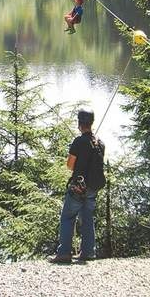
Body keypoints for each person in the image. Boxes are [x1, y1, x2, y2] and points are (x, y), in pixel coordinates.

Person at [51, 108, 105, 263]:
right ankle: (88, 252)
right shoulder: (100, 143)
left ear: (80, 124)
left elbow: (69, 165)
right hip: (93, 188)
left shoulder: (78, 142)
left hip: (78, 188)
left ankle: (64, 253)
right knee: (87, 218)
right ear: (92, 123)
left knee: (68, 217)